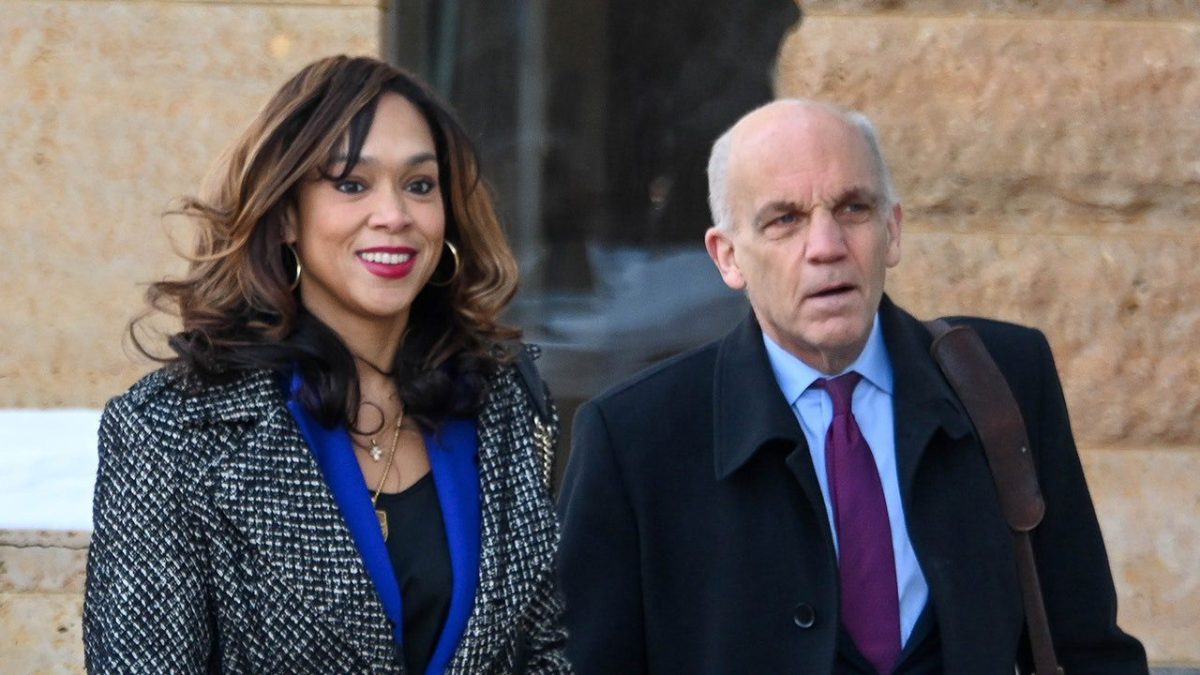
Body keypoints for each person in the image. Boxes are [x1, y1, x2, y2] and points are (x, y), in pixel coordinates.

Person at [557, 99, 1147, 674]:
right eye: (785, 220)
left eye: (853, 208)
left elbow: (1089, 648)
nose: (827, 247)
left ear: (892, 230)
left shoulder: (1002, 378)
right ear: (728, 257)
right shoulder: (635, 440)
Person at [84, 55, 570, 674]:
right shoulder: (170, 431)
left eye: (420, 185)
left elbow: (546, 653)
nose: (395, 214)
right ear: (287, 215)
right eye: (351, 184)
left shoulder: (503, 402)